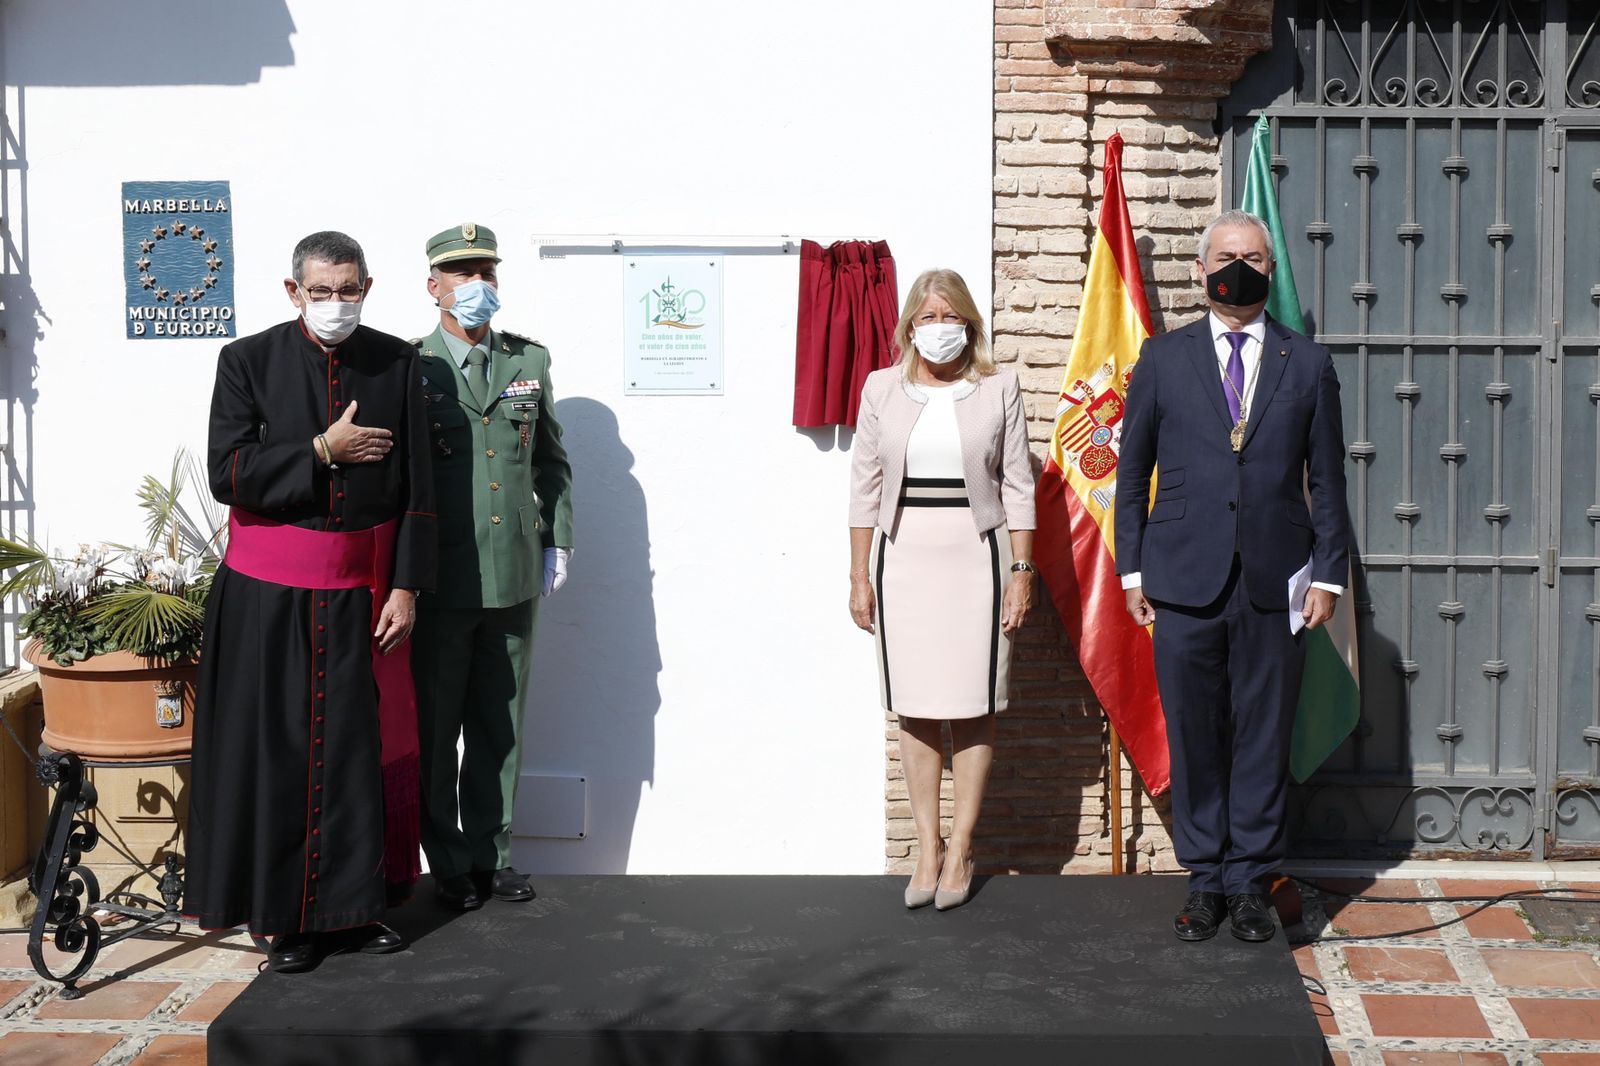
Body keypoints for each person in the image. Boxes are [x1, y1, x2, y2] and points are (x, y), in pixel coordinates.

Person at [185, 231, 436, 973]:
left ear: (368, 286)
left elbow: (422, 487)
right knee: (285, 755)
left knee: (356, 753)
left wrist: (408, 585)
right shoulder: (246, 360)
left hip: (364, 595)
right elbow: (229, 471)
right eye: (321, 291)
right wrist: (322, 451)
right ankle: (286, 920)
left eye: (349, 289)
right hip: (271, 599)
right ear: (293, 291)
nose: (336, 304)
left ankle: (355, 915)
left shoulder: (397, 360)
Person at [1115, 209, 1351, 944]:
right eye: (1225, 255)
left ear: (1271, 272)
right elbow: (1132, 477)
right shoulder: (1161, 357)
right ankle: (1205, 879)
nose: (1238, 266)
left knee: (1260, 733)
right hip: (1181, 579)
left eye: (1253, 256)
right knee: (1195, 731)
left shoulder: (1306, 364)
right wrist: (1131, 568)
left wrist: (1330, 577)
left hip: (1277, 582)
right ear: (1200, 269)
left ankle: (1250, 879)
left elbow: (1329, 482)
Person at [848, 268, 1036, 912]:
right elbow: (864, 488)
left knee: (974, 703)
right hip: (901, 561)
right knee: (916, 705)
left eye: (949, 316)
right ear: (908, 326)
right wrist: (857, 575)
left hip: (975, 558)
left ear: (970, 324)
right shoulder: (880, 390)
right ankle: (926, 849)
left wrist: (1021, 573)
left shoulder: (998, 389)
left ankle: (961, 848)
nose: (938, 328)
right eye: (926, 318)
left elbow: (1018, 487)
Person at [410, 224, 574, 911]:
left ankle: (492, 853)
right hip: (440, 581)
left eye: (487, 273)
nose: (477, 286)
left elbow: (550, 462)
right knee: (435, 727)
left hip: (510, 575)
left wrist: (556, 540)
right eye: (461, 273)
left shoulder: (526, 361)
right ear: (434, 287)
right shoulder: (410, 367)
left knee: (499, 724)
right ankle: (445, 860)